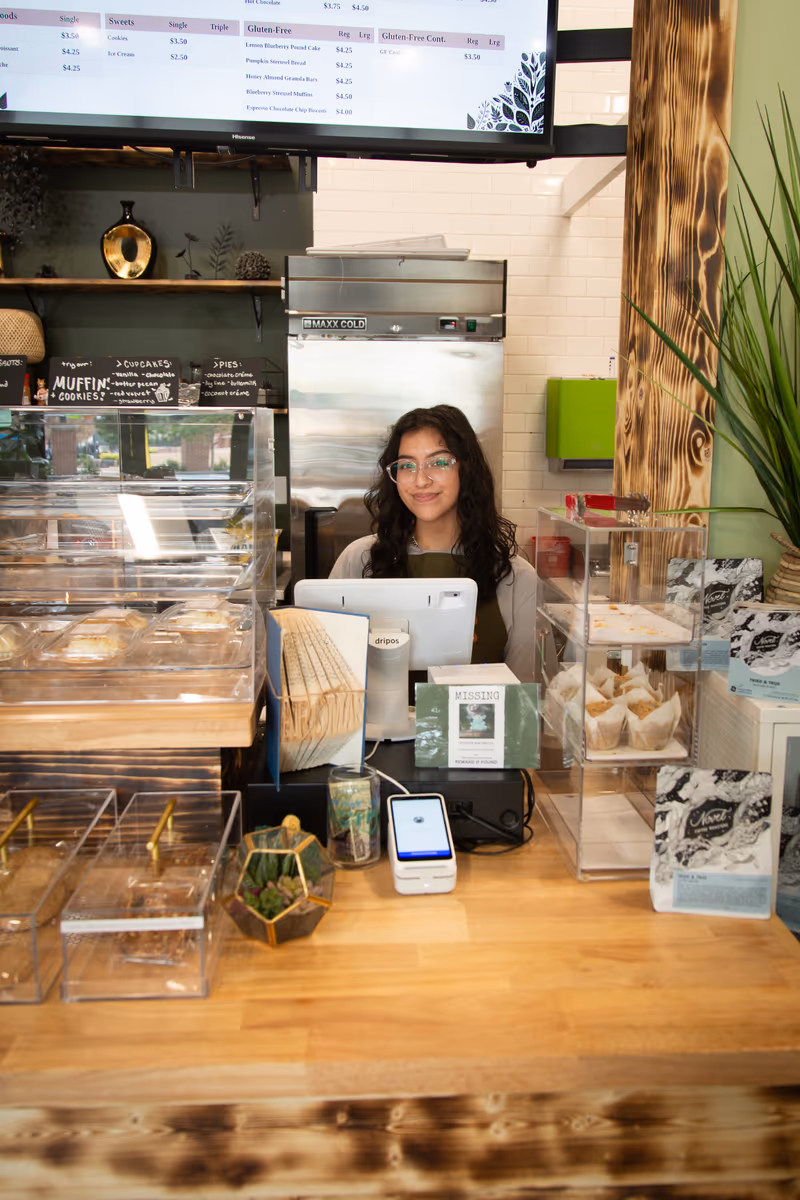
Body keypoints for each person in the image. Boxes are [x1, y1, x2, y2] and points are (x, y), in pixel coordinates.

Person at [329, 404, 537, 681]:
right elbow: (327, 674)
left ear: (467, 469)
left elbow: (522, 695)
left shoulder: (516, 577)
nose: (420, 480)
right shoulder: (359, 560)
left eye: (439, 462)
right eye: (406, 465)